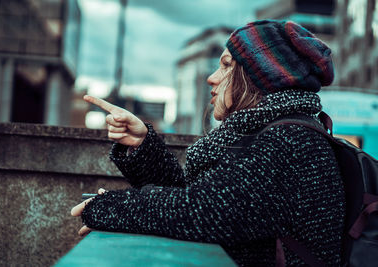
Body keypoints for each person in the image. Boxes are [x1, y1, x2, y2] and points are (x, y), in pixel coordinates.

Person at [71, 20, 345, 266]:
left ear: (258, 76)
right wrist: (142, 146)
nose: (212, 78)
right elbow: (201, 200)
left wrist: (110, 207)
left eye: (226, 65)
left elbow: (203, 213)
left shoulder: (289, 141)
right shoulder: (273, 134)